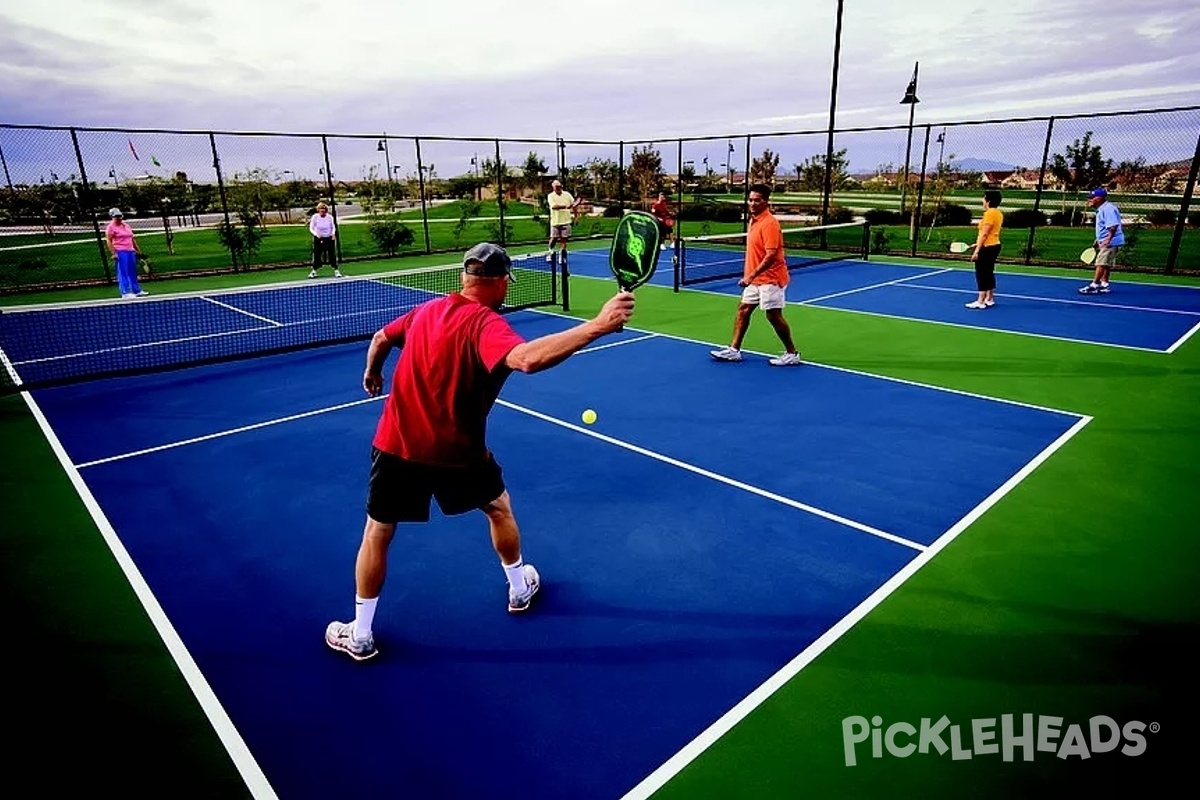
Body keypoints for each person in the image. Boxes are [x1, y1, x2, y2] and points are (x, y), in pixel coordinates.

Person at [325, 242, 636, 661]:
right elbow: (525, 359)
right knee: (498, 508)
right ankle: (519, 588)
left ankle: (360, 634)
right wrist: (596, 325)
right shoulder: (485, 325)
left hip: (396, 445)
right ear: (503, 282)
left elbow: (381, 337)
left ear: (463, 278)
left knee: (378, 532)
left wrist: (373, 370)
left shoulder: (426, 311)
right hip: (459, 453)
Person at [709, 184, 801, 367]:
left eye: (757, 200)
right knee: (743, 310)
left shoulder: (770, 224)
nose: (752, 203)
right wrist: (752, 277)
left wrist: (750, 276)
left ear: (766, 201)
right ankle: (734, 351)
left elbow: (771, 255)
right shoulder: (754, 220)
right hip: (756, 279)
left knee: (773, 315)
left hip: (771, 279)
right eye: (750, 199)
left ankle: (792, 353)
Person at [1079, 187, 1124, 294]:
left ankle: (1095, 285)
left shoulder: (1108, 209)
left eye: (1091, 198)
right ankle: (1104, 284)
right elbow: (1104, 227)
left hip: (1110, 241)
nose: (1089, 200)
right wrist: (1098, 240)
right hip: (1109, 240)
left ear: (1099, 198)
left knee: (1101, 263)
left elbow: (1113, 227)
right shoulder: (1104, 209)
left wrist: (1107, 240)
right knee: (1106, 263)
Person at [966, 190, 1003, 309]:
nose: (982, 200)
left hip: (987, 248)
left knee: (981, 273)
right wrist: (976, 244)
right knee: (988, 272)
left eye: (984, 198)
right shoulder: (998, 213)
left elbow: (985, 234)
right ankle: (990, 298)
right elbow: (990, 234)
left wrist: (977, 250)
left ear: (988, 201)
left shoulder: (989, 214)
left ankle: (980, 301)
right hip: (994, 245)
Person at [104, 208, 149, 299]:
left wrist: (138, 251)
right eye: (116, 216)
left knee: (132, 272)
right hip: (120, 251)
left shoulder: (126, 226)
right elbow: (108, 240)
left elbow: (132, 239)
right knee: (123, 272)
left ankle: (137, 290)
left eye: (120, 216)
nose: (119, 218)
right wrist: (114, 253)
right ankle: (125, 292)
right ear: (112, 217)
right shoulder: (110, 227)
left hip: (130, 251)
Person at [545, 179, 576, 263]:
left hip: (566, 221)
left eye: (559, 186)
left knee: (564, 240)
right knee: (554, 238)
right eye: (556, 187)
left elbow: (573, 205)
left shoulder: (567, 194)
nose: (558, 188)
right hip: (555, 221)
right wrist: (565, 206)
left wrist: (576, 216)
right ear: (553, 188)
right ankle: (550, 252)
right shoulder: (550, 196)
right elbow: (554, 206)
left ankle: (561, 256)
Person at [309, 202, 342, 278]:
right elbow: (311, 228)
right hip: (318, 238)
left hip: (329, 238)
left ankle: (336, 271)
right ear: (318, 210)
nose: (322, 210)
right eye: (321, 209)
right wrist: (317, 235)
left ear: (326, 210)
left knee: (332, 255)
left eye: (323, 209)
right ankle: (314, 271)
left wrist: (333, 234)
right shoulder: (315, 217)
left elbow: (333, 227)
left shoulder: (330, 217)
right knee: (317, 255)